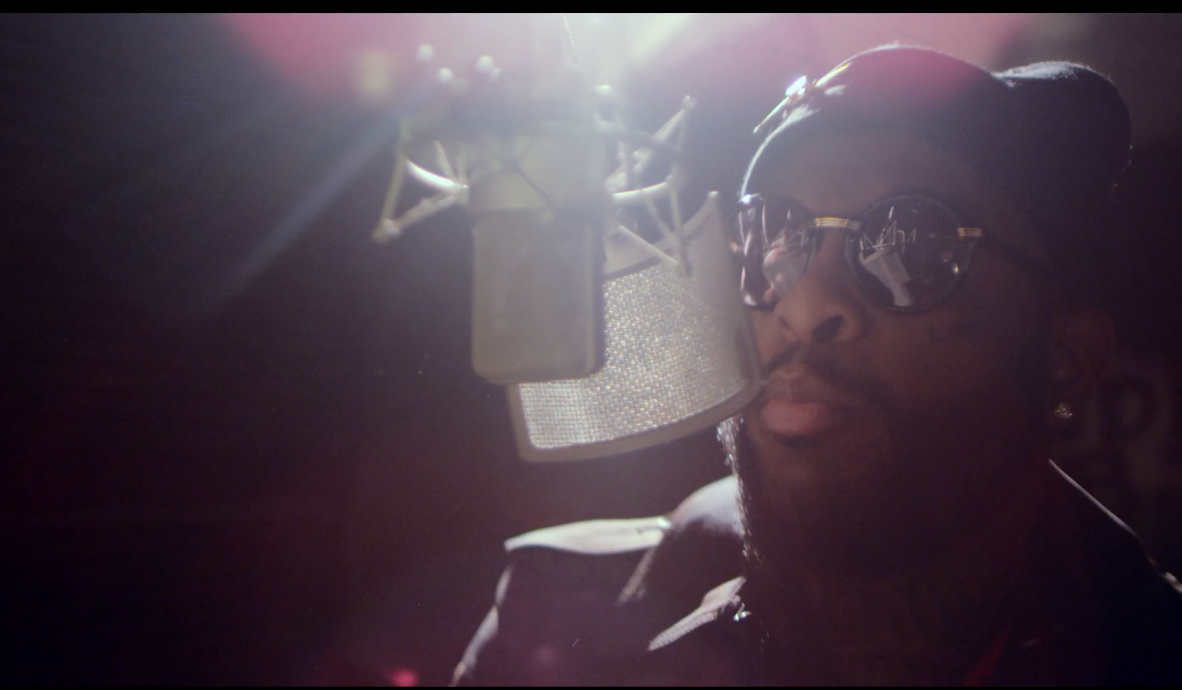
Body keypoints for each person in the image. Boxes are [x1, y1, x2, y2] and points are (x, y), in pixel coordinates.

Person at [450, 45, 1182, 686]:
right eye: (776, 235)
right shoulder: (556, 623)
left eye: (913, 247)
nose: (804, 304)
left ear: (1065, 362)